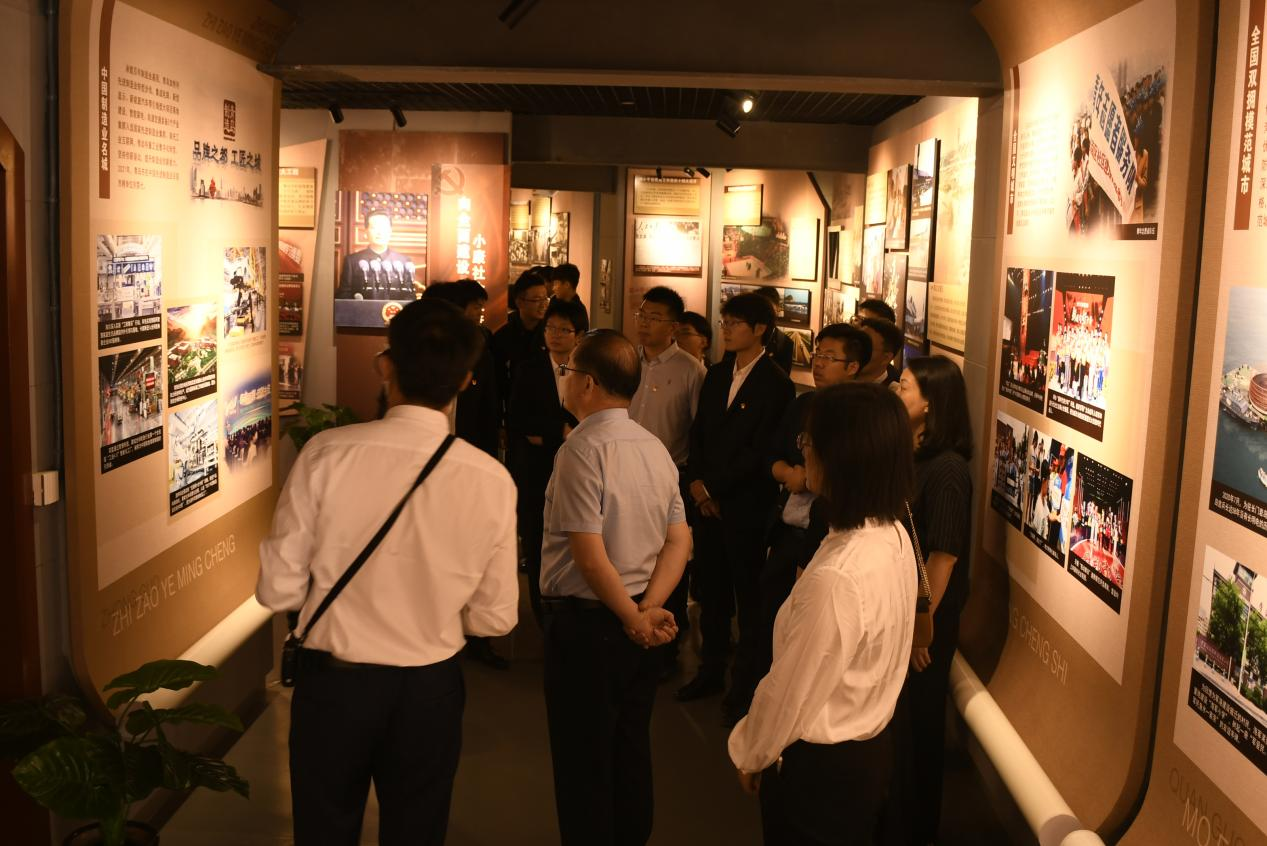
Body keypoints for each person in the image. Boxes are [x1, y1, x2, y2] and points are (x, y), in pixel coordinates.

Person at [256, 298, 519, 846]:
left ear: (385, 365)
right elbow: (495, 619)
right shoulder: (491, 479)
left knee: (324, 829)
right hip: (429, 690)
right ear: (465, 380)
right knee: (417, 829)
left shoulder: (327, 454)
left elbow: (277, 588)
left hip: (333, 685)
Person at [728, 382, 917, 845]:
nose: (803, 449)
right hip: (867, 754)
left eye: (809, 440)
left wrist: (753, 750)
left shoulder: (840, 575)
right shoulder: (892, 533)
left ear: (842, 456)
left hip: (821, 773)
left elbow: (792, 687)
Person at [540, 329, 691, 845]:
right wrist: (648, 610)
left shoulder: (582, 448)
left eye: (567, 371)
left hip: (590, 628)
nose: (564, 379)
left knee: (583, 763)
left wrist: (632, 617)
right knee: (630, 749)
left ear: (588, 383)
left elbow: (588, 554)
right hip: (637, 625)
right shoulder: (655, 448)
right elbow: (679, 541)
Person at [740, 323, 872, 726]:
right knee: (770, 620)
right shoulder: (802, 405)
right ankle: (757, 706)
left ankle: (791, 716)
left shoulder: (862, 415)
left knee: (810, 633)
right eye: (818, 355)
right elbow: (771, 456)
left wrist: (812, 480)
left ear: (853, 366)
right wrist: (788, 473)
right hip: (787, 530)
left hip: (827, 537)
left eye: (830, 357)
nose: (818, 364)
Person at [680, 293, 794, 710]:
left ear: (760, 329)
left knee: (748, 599)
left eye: (734, 323)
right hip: (705, 503)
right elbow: (699, 434)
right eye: (724, 322)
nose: (725, 330)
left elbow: (762, 450)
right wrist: (697, 484)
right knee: (711, 592)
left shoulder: (776, 383)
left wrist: (714, 488)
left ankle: (744, 687)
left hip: (745, 506)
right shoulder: (716, 374)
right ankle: (709, 670)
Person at [889, 355, 974, 846]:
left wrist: (922, 627)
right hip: (908, 616)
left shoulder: (948, 470)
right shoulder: (912, 457)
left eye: (904, 386)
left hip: (927, 621)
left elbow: (943, 557)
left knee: (919, 733)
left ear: (930, 404)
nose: (895, 392)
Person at [628, 285, 707, 676]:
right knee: (626, 555)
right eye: (642, 315)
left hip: (669, 478)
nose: (644, 323)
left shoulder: (691, 371)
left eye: (655, 318)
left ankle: (665, 646)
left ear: (674, 327)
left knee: (669, 562)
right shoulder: (627, 361)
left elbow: (699, 431)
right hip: (624, 474)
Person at [508, 297, 587, 626]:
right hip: (535, 472)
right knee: (537, 540)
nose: (554, 335)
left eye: (563, 329)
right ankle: (542, 613)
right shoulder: (528, 370)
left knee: (576, 539)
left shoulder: (587, 371)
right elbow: (519, 422)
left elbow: (590, 420)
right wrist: (561, 431)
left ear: (578, 336)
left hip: (579, 472)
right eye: (549, 328)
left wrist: (549, 434)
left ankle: (572, 609)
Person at [421, 280, 499, 458]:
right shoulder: (412, 358)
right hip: (422, 448)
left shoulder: (479, 355)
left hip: (465, 448)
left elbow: (486, 410)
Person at [491, 269, 551, 420]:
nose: (543, 305)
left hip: (546, 413)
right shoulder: (503, 337)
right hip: (513, 414)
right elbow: (496, 383)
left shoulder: (551, 333)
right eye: (537, 300)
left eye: (545, 299)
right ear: (519, 302)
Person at [336, 208, 416, 300]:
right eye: (374, 227)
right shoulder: (352, 261)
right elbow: (343, 295)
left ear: (390, 231)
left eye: (384, 227)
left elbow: (410, 296)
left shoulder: (404, 262)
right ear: (366, 232)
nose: (379, 232)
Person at [752, 286, 795, 373]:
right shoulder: (743, 335)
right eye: (759, 308)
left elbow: (783, 377)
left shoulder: (785, 343)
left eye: (768, 308)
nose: (764, 313)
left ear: (777, 308)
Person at [858, 316, 904, 385]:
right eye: (856, 344)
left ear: (886, 358)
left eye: (865, 347)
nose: (856, 351)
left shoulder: (896, 389)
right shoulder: (842, 376)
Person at [549, 262, 589, 327]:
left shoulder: (578, 310)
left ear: (567, 285)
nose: (553, 288)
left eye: (556, 284)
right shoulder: (553, 302)